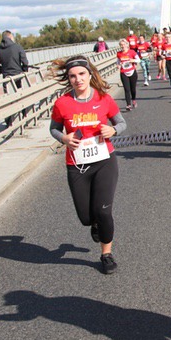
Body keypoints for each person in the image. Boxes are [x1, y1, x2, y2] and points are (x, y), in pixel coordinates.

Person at [49, 55, 126, 275]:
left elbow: (121, 123)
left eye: (82, 74)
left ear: (90, 74)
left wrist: (113, 130)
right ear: (69, 79)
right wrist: (64, 138)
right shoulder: (62, 103)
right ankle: (94, 224)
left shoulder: (104, 98)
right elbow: (54, 129)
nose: (78, 79)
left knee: (103, 211)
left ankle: (106, 254)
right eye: (73, 76)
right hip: (77, 165)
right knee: (85, 217)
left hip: (104, 161)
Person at [115, 38, 139, 110]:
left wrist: (133, 60)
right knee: (126, 89)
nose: (122, 46)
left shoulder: (132, 52)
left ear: (127, 44)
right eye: (121, 45)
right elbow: (118, 62)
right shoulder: (119, 53)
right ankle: (128, 104)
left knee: (133, 89)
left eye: (123, 44)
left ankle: (133, 100)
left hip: (132, 72)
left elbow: (138, 60)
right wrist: (118, 65)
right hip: (123, 72)